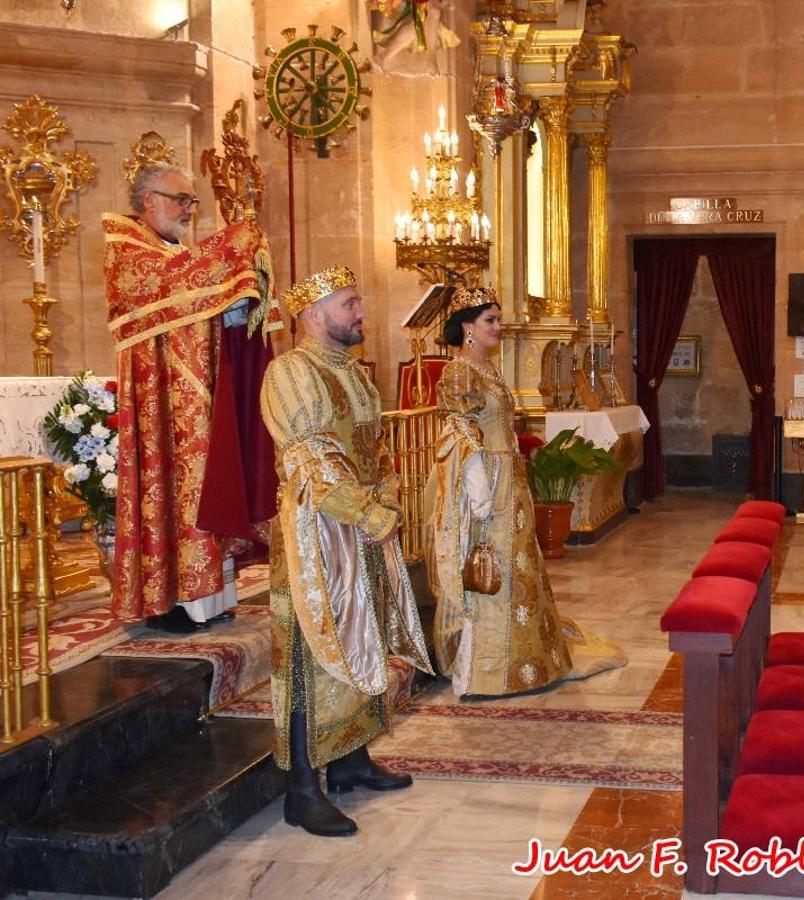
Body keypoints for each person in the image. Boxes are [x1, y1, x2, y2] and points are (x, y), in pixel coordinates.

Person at [259, 266, 433, 837]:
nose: (361, 312)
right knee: (316, 652)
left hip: (360, 531)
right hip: (317, 534)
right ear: (314, 314)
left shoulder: (353, 373)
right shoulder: (289, 372)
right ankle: (302, 789)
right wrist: (366, 511)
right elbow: (310, 456)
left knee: (369, 636)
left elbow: (371, 447)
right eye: (350, 303)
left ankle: (352, 759)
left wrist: (384, 494)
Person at [102, 163, 282, 632]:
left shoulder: (172, 251)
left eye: (191, 201)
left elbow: (199, 296)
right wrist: (235, 245)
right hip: (163, 403)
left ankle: (211, 596)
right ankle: (171, 599)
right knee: (178, 489)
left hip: (197, 396)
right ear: (148, 201)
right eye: (181, 200)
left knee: (207, 484)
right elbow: (182, 282)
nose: (188, 210)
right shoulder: (128, 253)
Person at [429, 286, 626, 698]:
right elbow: (460, 429)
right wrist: (479, 486)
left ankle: (523, 658)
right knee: (493, 565)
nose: (499, 327)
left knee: (518, 564)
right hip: (485, 481)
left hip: (508, 480)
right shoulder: (460, 370)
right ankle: (488, 668)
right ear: (467, 326)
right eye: (490, 321)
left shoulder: (486, 367)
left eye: (498, 319)